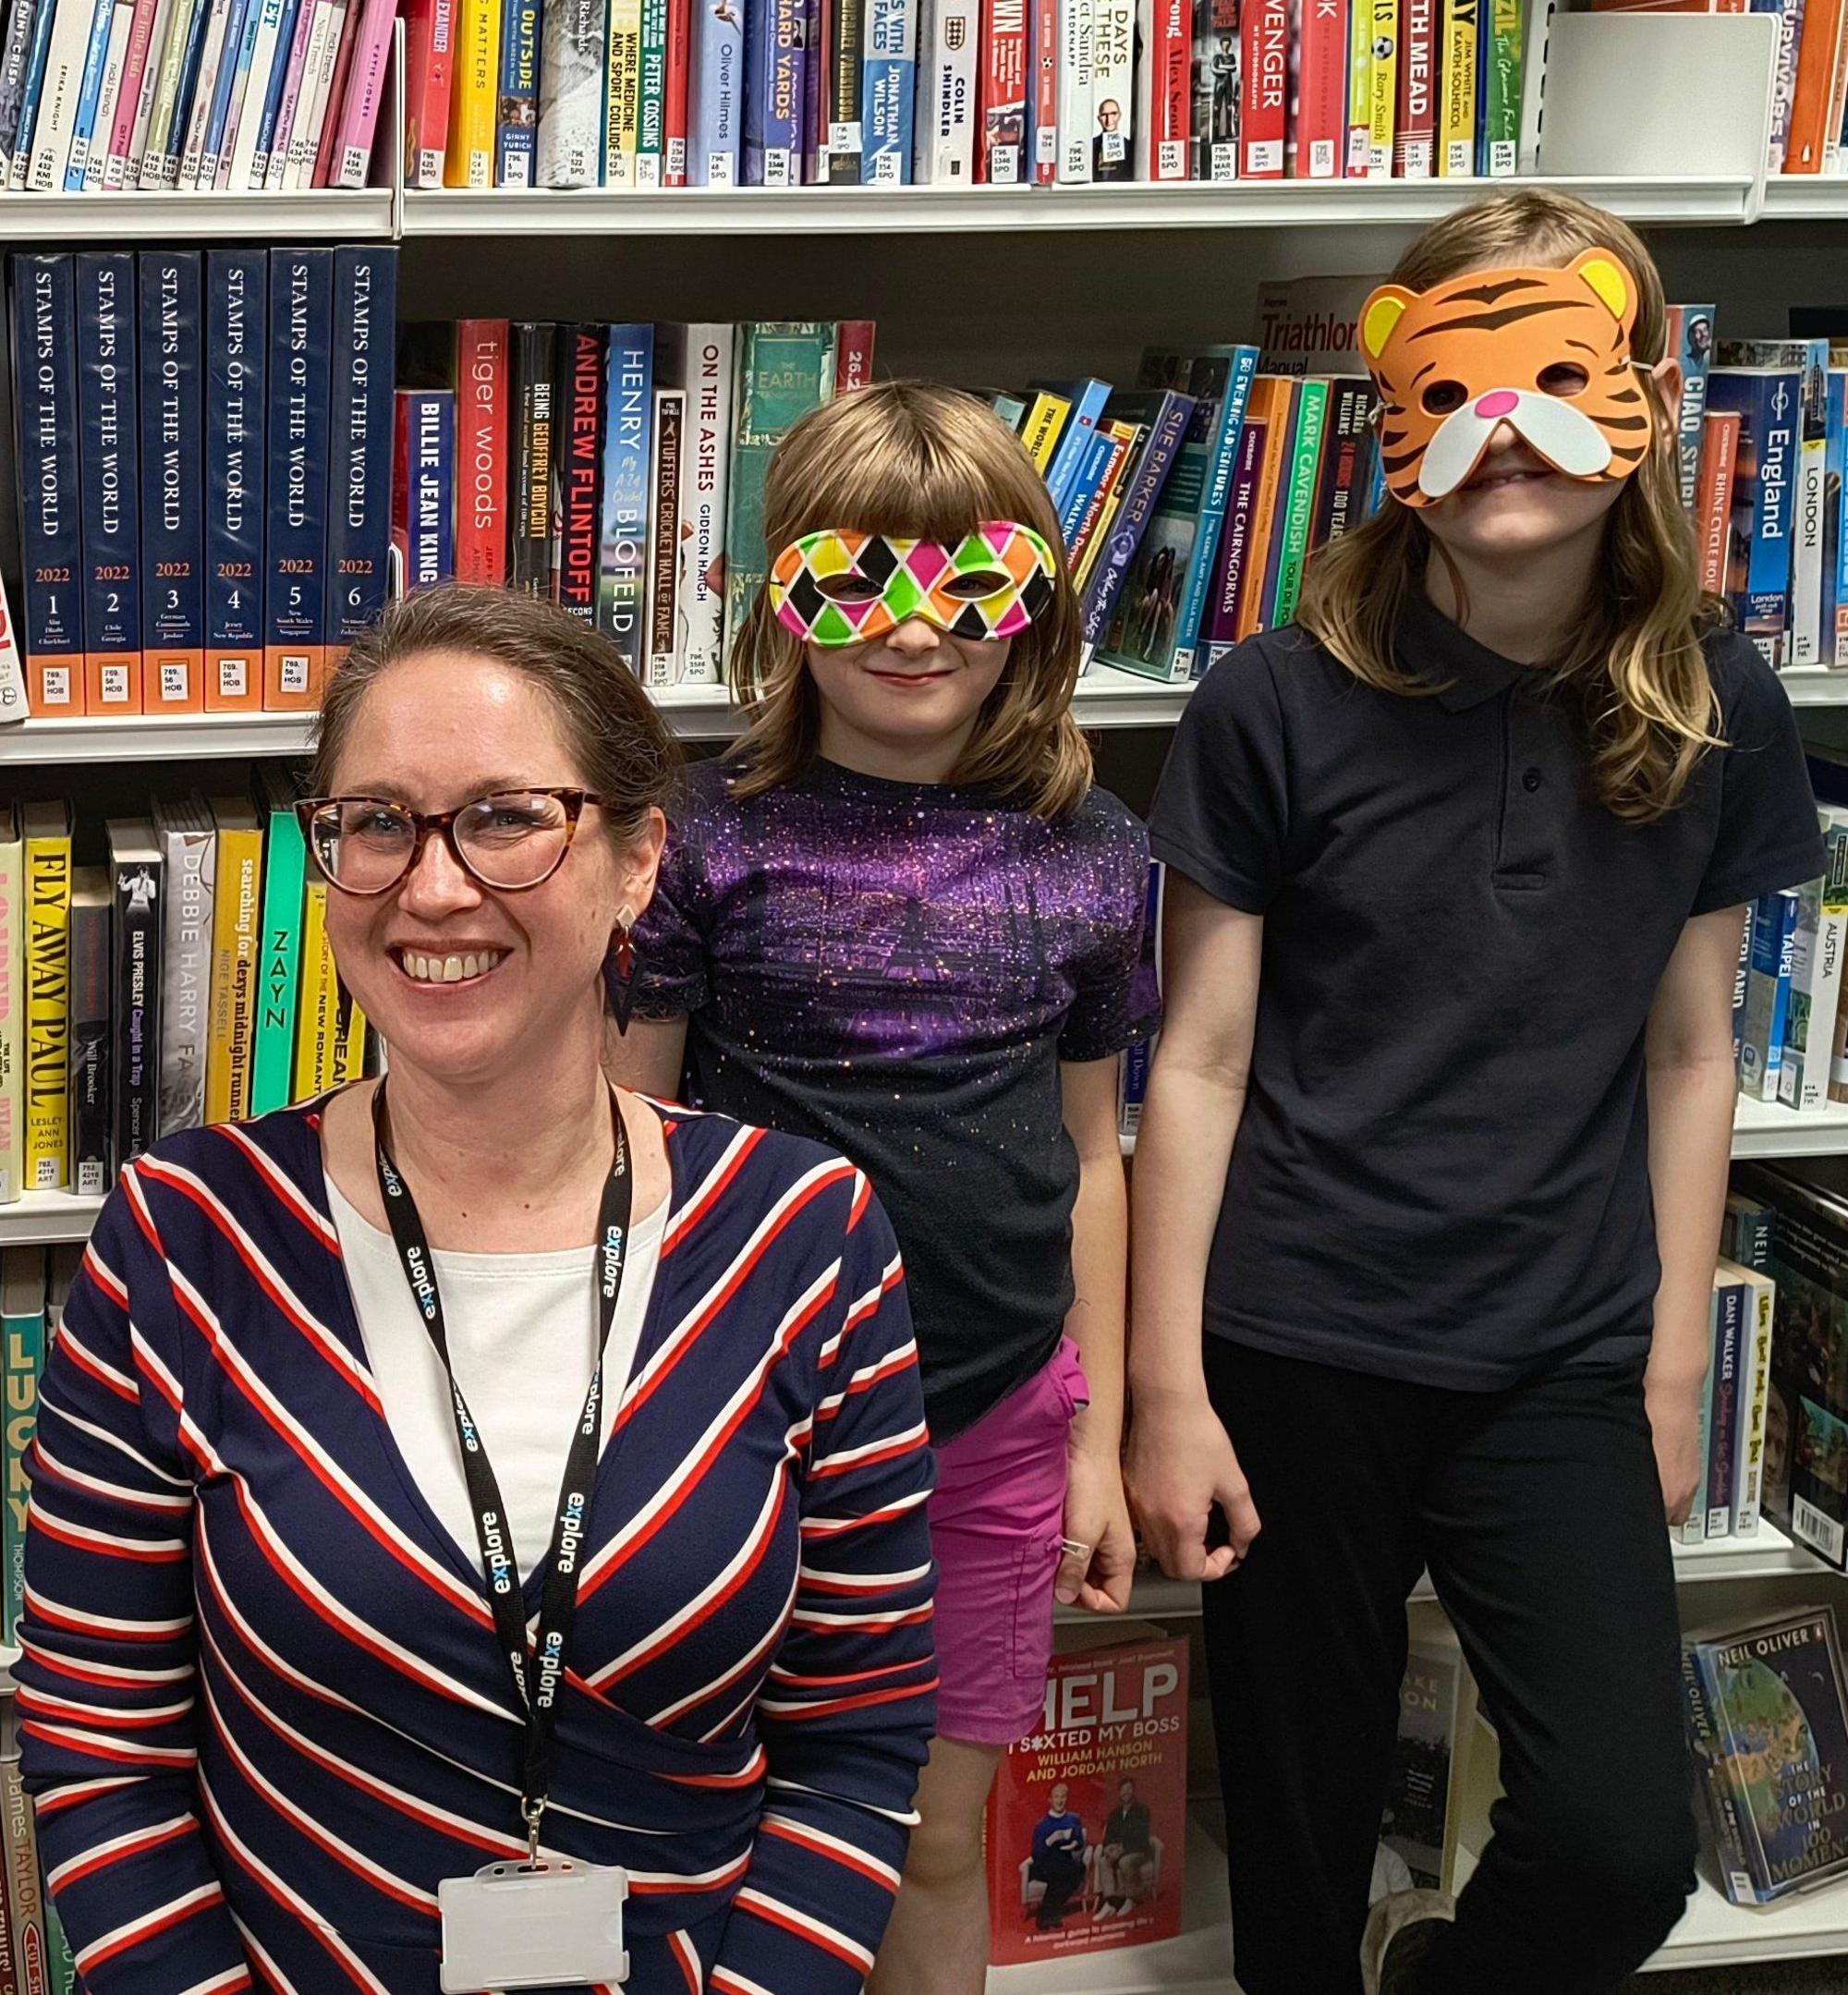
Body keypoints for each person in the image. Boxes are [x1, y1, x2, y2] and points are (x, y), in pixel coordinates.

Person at [16, 586, 937, 1995]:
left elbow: (857, 1734)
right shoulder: (183, 1239)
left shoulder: (807, 1235)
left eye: (507, 816)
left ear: (636, 861)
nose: (433, 887)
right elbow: (98, 1739)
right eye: (377, 821)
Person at [1128, 189, 1825, 1995]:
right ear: (1390, 423)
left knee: (1614, 1840)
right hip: (1294, 1343)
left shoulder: (1713, 700)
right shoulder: (1274, 702)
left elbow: (1690, 1051)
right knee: (1297, 1836)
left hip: (1554, 1355)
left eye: (1554, 379)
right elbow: (1193, 1059)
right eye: (1453, 389)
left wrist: (1672, 1368)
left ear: (1647, 396)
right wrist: (1167, 1387)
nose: (1503, 434)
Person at [614, 379, 1152, 1995]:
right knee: (707, 1804)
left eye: (966, 579)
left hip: (994, 1422)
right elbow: (631, 1128)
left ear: (1034, 602)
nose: (913, 628)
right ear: (784, 592)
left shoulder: (1093, 850)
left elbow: (1094, 1158)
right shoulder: (699, 839)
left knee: (932, 1831)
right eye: (859, 576)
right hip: (739, 1410)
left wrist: (1104, 1441)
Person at [1027, 1783, 1091, 1932]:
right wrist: (1050, 1841)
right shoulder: (1042, 1825)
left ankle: (1048, 1913)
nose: (1060, 1800)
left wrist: (1074, 1843)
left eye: (1063, 1797)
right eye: (1056, 1797)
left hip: (1066, 1861)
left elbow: (1079, 1841)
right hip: (1046, 1864)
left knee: (1079, 1869)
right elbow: (1037, 1854)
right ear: (1050, 1799)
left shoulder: (1074, 1819)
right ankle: (1049, 1916)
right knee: (1059, 1874)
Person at [1101, 1776, 1161, 1915]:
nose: (1126, 1792)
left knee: (1125, 1862)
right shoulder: (1114, 1814)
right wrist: (1108, 1848)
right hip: (1119, 1850)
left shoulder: (1142, 1811)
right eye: (1123, 1789)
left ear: (1133, 1791)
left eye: (1129, 1788)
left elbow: (1141, 1836)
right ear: (1119, 1793)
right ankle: (1111, 1902)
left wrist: (1123, 1850)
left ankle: (1131, 1899)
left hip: (1138, 1851)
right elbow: (1109, 1836)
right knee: (1103, 1861)